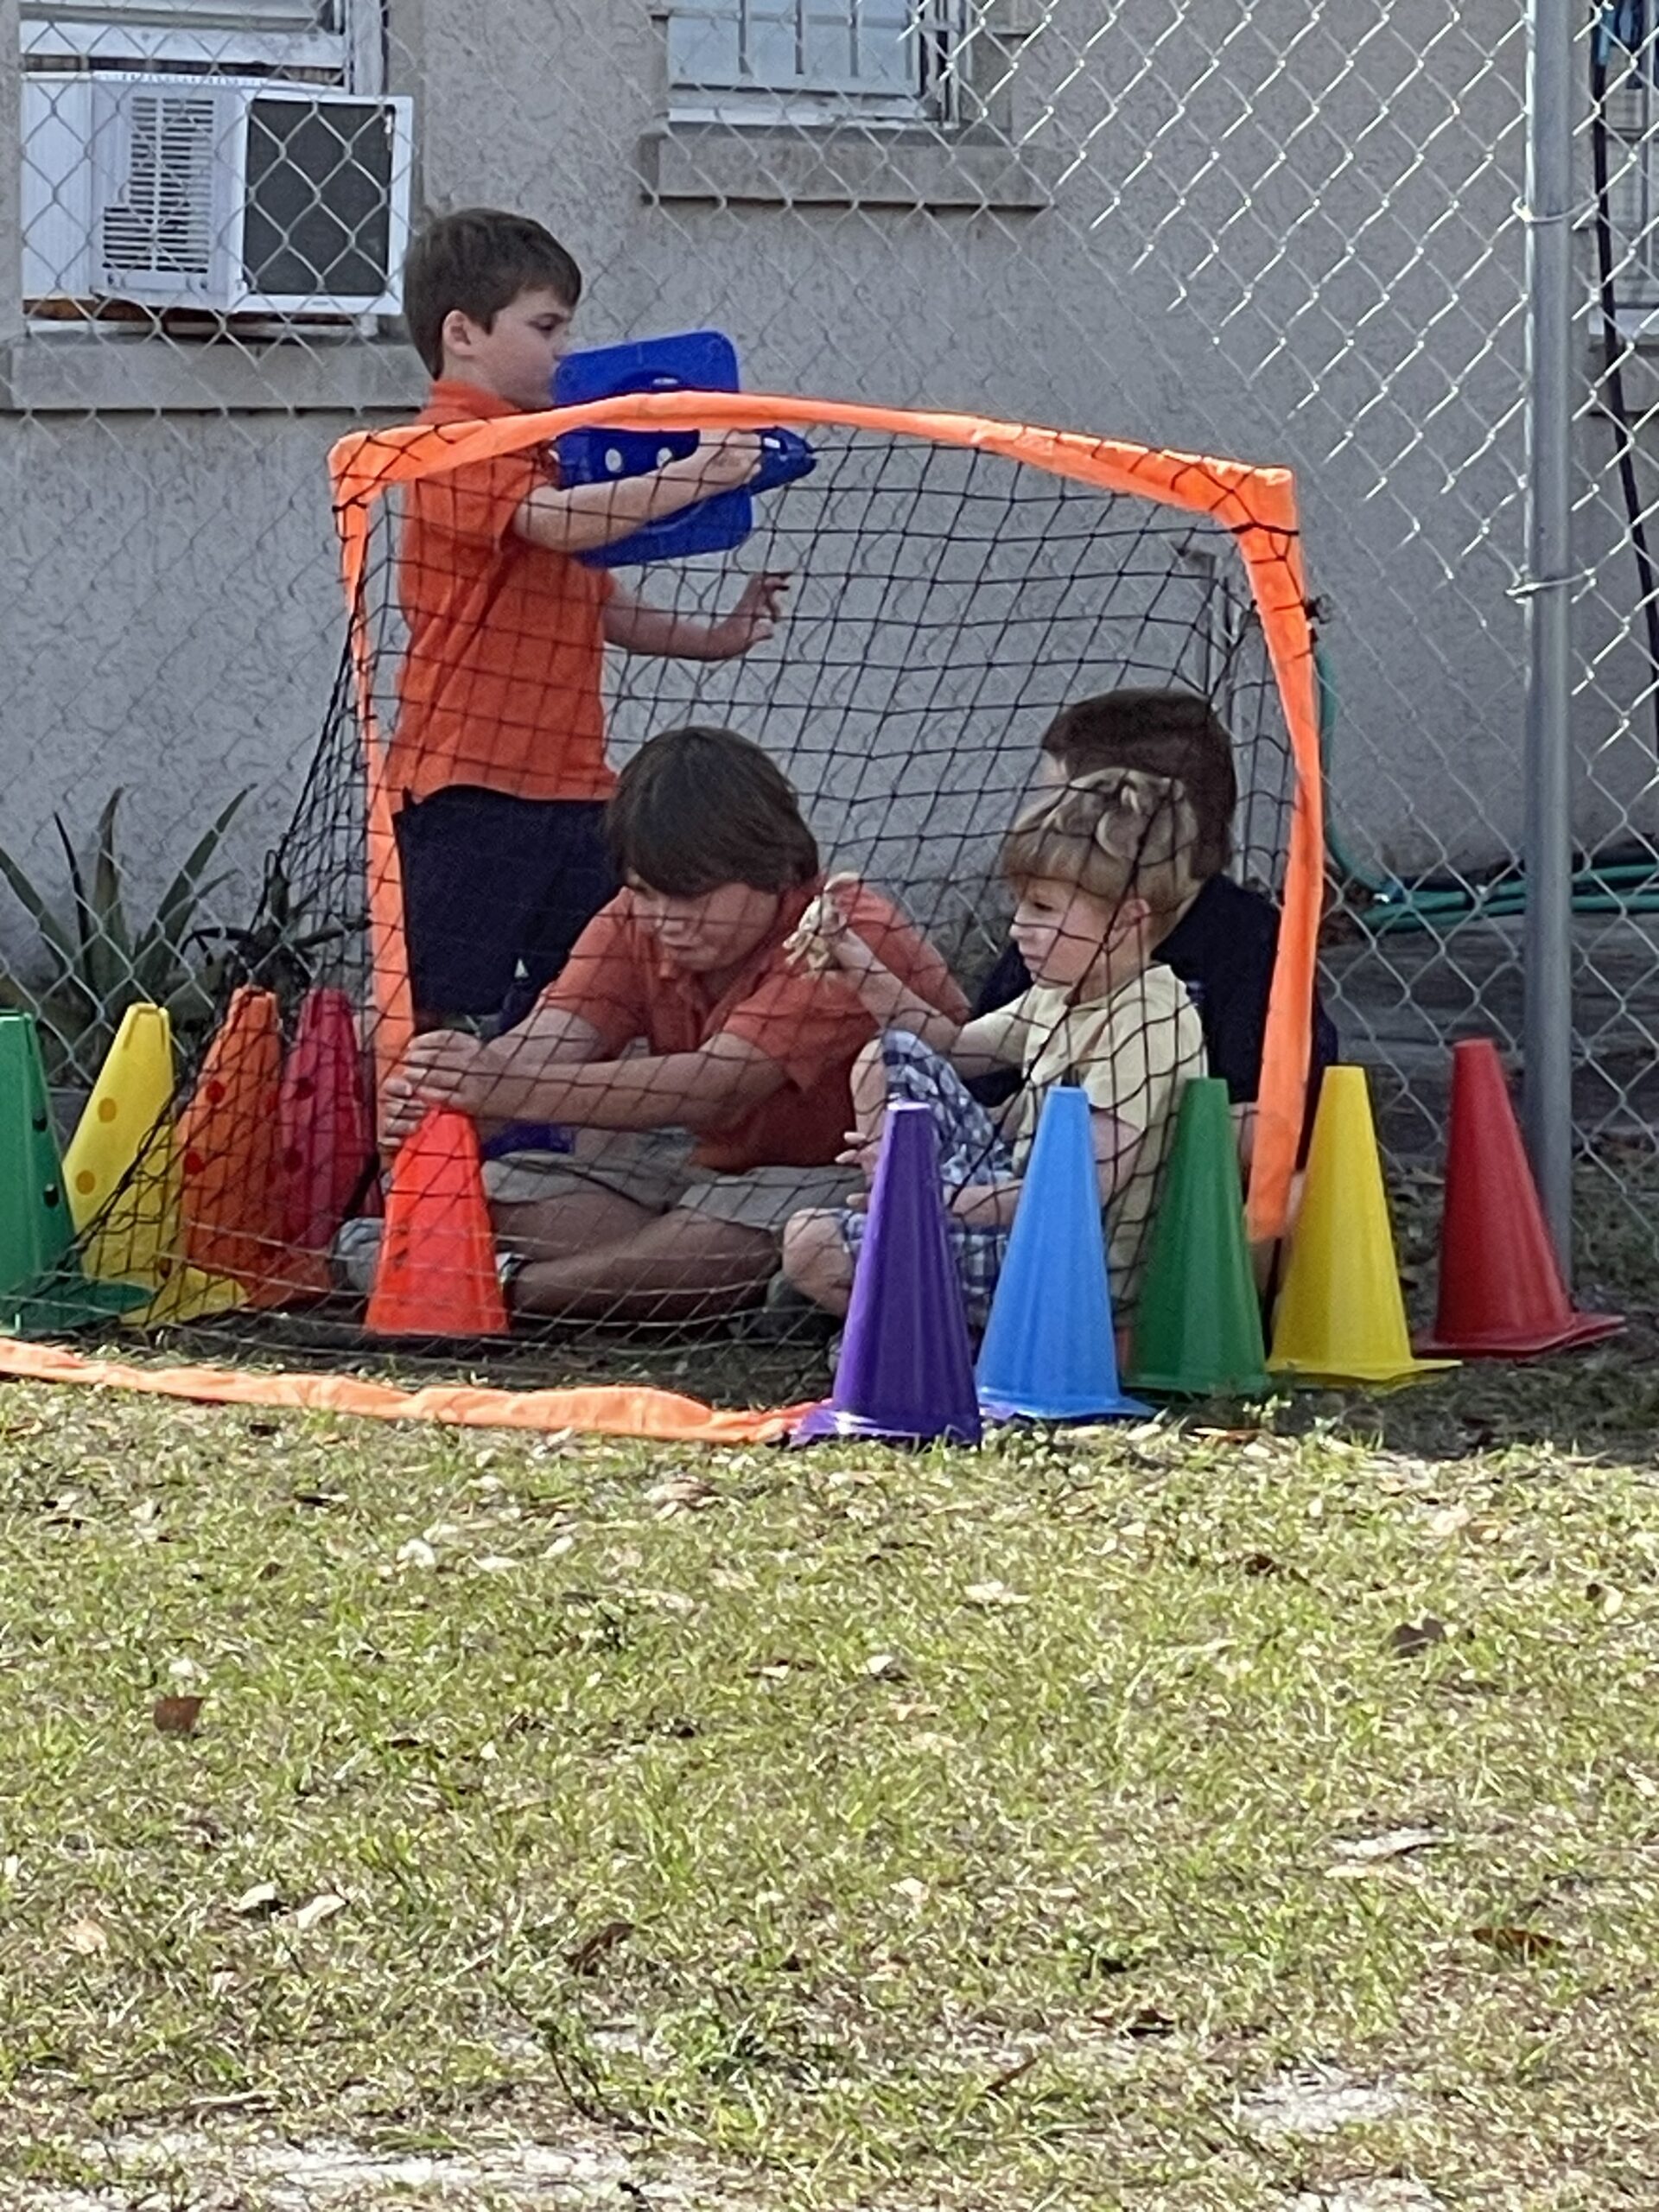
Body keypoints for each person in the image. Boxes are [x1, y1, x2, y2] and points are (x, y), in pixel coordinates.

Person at [378, 726, 969, 1319]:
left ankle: (507, 1292)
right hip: (711, 1178)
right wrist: (446, 1090)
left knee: (740, 1231)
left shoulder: (844, 931)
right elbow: (549, 1039)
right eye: (646, 891)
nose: (666, 920)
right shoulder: (633, 918)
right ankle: (735, 1284)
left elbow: (717, 1085)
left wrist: (504, 1089)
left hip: (876, 1178)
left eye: (692, 895)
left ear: (774, 867)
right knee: (487, 1189)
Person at [394, 208, 790, 1028]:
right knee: (439, 1006)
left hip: (575, 785)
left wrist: (716, 638)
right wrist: (699, 473)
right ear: (462, 334)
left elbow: (597, 597)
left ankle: (538, 1099)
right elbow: (560, 524)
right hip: (471, 787)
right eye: (545, 328)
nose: (564, 350)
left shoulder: (542, 446)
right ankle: (411, 1109)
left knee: (592, 998)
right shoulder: (449, 445)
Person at [779, 768, 1208, 1332]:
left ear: (1128, 920)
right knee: (887, 1058)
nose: (1017, 929)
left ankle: (943, 1338)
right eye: (1021, 905)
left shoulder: (1147, 1021)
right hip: (1015, 1214)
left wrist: (933, 1197)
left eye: (1043, 909)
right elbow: (950, 1046)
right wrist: (851, 953)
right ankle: (900, 1244)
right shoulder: (1065, 991)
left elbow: (1077, 1193)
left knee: (810, 1246)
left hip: (1074, 1268)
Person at [972, 689, 1337, 1144]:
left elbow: (1284, 1121)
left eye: (1061, 806)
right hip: (1055, 1160)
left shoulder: (1248, 942)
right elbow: (986, 1077)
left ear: (1136, 820)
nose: (1044, 821)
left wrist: (1142, 1127)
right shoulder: (1061, 928)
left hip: (1188, 1170)